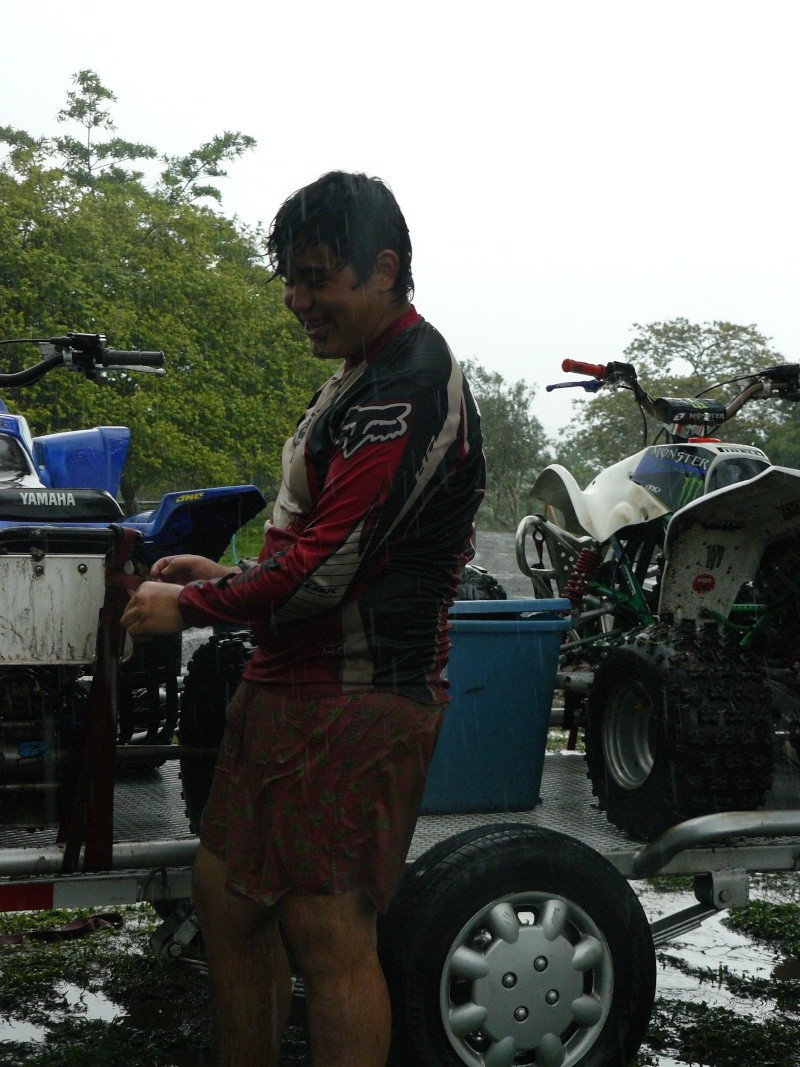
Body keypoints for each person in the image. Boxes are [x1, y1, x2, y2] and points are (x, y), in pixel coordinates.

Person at [121, 170, 485, 1066]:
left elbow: (329, 570)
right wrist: (231, 571)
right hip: (288, 683)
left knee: (328, 932)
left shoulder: (408, 384)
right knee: (230, 902)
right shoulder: (359, 377)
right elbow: (313, 544)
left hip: (361, 698)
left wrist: (194, 603)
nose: (297, 300)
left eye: (317, 277)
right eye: (289, 276)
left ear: (384, 268)